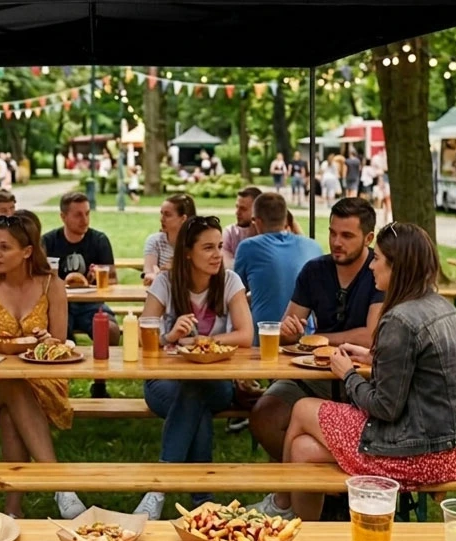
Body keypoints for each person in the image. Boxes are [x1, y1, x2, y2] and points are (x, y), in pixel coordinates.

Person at [281, 223, 456, 520]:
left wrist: (348, 374)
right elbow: (423, 372)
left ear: (397, 267)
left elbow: (385, 408)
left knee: (301, 408)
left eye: (377, 259)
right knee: (303, 449)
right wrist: (374, 358)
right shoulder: (441, 306)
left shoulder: (400, 320)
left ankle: (281, 505)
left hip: (421, 455)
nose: (372, 266)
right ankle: (302, 529)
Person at [249, 197, 385, 515]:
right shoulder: (315, 270)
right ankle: (313, 487)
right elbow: (290, 326)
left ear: (369, 238)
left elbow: (371, 335)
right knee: (264, 415)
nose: (336, 242)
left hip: (362, 379)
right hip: (314, 373)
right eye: (332, 233)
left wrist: (318, 340)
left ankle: (304, 494)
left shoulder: (380, 270)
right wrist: (289, 331)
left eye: (347, 235)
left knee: (303, 422)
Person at [133, 215, 254, 519]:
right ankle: (203, 502)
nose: (217, 255)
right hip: (164, 384)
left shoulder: (229, 281)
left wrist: (203, 341)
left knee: (195, 391)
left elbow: (245, 334)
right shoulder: (165, 282)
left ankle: (158, 489)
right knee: (194, 400)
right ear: (187, 252)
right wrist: (170, 336)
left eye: (219, 246)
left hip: (217, 384)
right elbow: (143, 338)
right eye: (208, 248)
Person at [0, 210, 81, 519]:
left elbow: (59, 343)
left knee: (11, 413)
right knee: (12, 386)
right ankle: (60, 486)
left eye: (5, 247)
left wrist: (48, 340)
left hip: (43, 378)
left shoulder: (52, 285)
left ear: (27, 251)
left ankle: (13, 511)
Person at [43, 192, 119, 397]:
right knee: (57, 333)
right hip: (60, 304)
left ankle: (100, 383)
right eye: (78, 215)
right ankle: (59, 387)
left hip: (91, 303)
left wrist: (98, 278)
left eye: (87, 213)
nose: (84, 220)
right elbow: (38, 280)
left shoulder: (99, 240)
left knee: (110, 330)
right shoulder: (49, 241)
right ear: (63, 217)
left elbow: (113, 279)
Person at [234, 193, 322, 330]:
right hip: (305, 334)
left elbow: (235, 292)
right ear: (286, 219)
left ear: (257, 221)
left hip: (265, 335)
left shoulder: (248, 247)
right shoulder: (313, 246)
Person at [143, 193, 196, 284]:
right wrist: (151, 276)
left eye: (167, 215)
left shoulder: (198, 243)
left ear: (183, 218)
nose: (161, 219)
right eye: (161, 213)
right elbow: (149, 273)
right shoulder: (155, 241)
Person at [221, 186, 262, 270]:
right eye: (237, 207)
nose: (237, 212)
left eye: (243, 209)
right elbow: (228, 266)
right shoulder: (229, 233)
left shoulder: (267, 233)